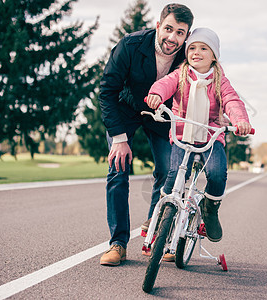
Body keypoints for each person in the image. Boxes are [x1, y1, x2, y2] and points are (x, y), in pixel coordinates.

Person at [98, 3, 194, 266]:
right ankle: (117, 244)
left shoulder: (189, 56)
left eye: (181, 33)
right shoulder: (130, 45)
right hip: (126, 109)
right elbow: (106, 90)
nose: (172, 38)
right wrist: (118, 139)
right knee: (118, 168)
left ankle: (153, 230)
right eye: (169, 29)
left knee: (167, 170)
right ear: (158, 26)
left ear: (187, 36)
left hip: (162, 116)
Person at [146, 27, 252, 242]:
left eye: (204, 48)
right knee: (174, 173)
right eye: (192, 47)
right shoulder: (181, 74)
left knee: (216, 173)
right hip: (182, 133)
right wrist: (156, 94)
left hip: (211, 135)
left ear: (214, 55)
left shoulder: (220, 80)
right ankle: (163, 213)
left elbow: (231, 100)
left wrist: (240, 121)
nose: (196, 52)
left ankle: (210, 209)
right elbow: (165, 84)